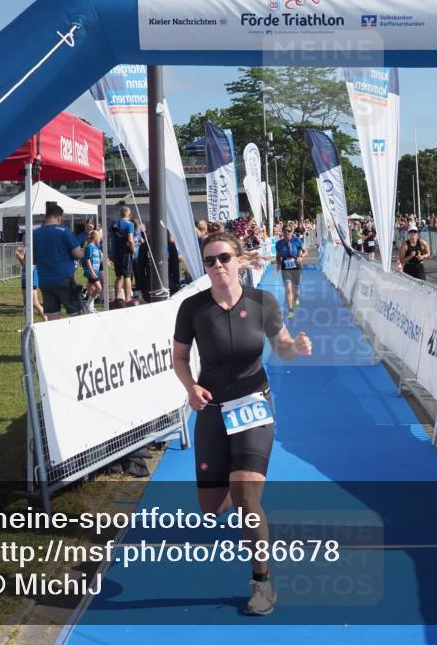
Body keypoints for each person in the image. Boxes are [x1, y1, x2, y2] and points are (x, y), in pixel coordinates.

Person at [172, 232, 312, 617]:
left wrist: (294, 348)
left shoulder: (262, 302)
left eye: (224, 258)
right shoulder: (192, 308)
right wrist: (190, 387)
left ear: (239, 260)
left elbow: (281, 345)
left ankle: (262, 582)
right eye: (209, 261)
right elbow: (180, 358)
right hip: (213, 409)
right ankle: (236, 479)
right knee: (213, 507)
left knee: (247, 498)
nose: (217, 266)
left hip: (253, 405)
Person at [33, 203, 84, 320]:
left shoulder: (35, 234)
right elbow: (78, 254)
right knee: (76, 313)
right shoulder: (64, 231)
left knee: (52, 316)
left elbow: (32, 258)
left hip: (45, 280)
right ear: (59, 217)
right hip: (64, 278)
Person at [275, 226, 307, 319]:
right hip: (285, 269)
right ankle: (290, 310)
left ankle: (296, 299)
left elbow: (306, 251)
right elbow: (278, 256)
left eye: (289, 231)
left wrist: (301, 257)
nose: (288, 233)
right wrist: (278, 265)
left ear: (292, 232)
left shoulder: (296, 240)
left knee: (296, 290)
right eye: (286, 231)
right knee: (288, 289)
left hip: (297, 268)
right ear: (283, 232)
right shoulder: (279, 244)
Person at [14, 247, 46, 323]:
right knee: (26, 303)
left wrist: (19, 256)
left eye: (24, 237)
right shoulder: (26, 248)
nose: (23, 239)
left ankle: (47, 320)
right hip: (25, 277)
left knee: (35, 303)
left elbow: (29, 263)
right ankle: (27, 324)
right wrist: (19, 258)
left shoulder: (32, 247)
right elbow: (24, 264)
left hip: (32, 277)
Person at [111, 206, 136, 303]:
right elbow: (130, 240)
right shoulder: (130, 224)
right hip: (126, 253)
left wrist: (111, 253)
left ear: (120, 214)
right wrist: (133, 250)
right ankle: (127, 299)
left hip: (116, 253)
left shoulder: (114, 224)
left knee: (119, 276)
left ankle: (117, 298)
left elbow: (110, 238)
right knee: (127, 275)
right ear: (129, 215)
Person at [82, 229, 103, 314]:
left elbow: (98, 257)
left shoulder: (96, 247)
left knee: (91, 289)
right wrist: (92, 272)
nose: (100, 240)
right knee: (99, 288)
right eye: (99, 238)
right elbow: (87, 260)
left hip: (95, 271)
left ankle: (90, 307)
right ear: (95, 238)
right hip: (91, 272)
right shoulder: (89, 247)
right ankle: (88, 305)